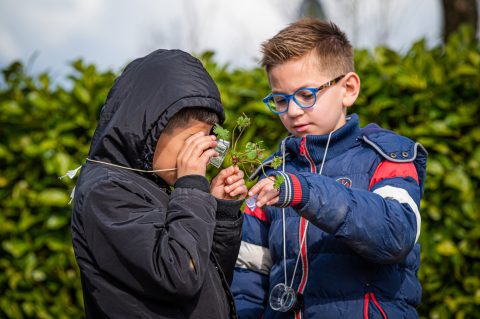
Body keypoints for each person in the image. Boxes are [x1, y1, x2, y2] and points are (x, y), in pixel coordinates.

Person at [231, 18, 427, 319]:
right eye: (280, 100)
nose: (293, 111)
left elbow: (396, 233)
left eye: (307, 95)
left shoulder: (388, 156)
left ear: (348, 88)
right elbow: (248, 276)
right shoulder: (271, 174)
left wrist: (304, 191)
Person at [71, 49, 247, 319]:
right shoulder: (105, 192)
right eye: (192, 142)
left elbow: (208, 279)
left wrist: (218, 210)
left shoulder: (155, 187)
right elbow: (179, 274)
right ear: (152, 130)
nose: (199, 156)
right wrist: (191, 187)